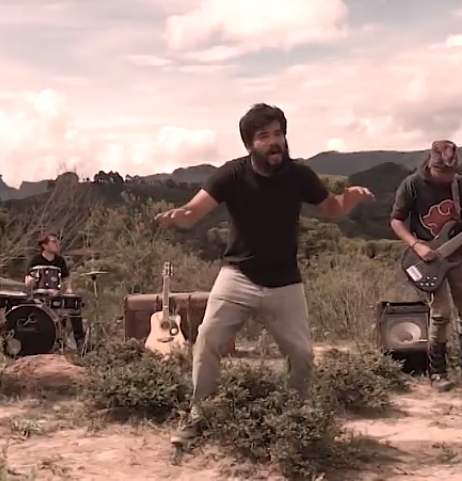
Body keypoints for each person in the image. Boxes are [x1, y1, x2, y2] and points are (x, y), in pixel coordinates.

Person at [155, 103, 374, 447]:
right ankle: (199, 418)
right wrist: (179, 217)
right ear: (249, 144)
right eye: (264, 136)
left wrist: (348, 200)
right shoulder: (231, 174)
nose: (274, 142)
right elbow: (194, 210)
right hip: (237, 276)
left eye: (278, 134)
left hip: (285, 281)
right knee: (207, 341)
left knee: (302, 356)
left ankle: (296, 418)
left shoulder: (300, 175)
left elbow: (331, 208)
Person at [389, 140, 462, 391]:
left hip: (459, 255)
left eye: (451, 173)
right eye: (443, 173)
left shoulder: (458, 184)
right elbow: (396, 221)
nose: (447, 178)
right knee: (440, 313)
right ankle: (437, 372)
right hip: (428, 258)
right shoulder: (412, 185)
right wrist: (416, 245)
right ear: (431, 164)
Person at [24, 233, 86, 349]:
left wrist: (69, 289)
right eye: (53, 241)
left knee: (74, 307)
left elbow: (66, 278)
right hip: (38, 296)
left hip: (56, 294)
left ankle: (80, 344)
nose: (57, 244)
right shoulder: (35, 260)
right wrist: (31, 280)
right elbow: (27, 280)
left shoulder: (59, 261)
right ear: (44, 245)